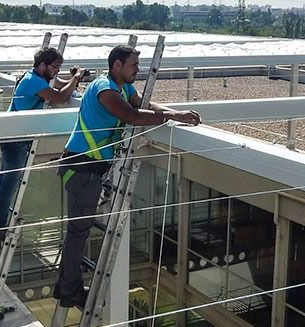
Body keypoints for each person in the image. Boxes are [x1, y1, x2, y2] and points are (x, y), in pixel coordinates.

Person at [53, 45, 202, 309]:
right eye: (134, 65)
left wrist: (173, 113)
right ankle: (69, 291)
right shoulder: (106, 90)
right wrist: (174, 115)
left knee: (77, 233)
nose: (138, 69)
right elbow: (132, 116)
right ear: (117, 65)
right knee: (78, 233)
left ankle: (65, 287)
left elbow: (143, 105)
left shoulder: (122, 88)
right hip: (82, 169)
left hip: (87, 169)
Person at [0, 47, 88, 240]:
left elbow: (59, 84)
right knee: (10, 182)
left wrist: (72, 78)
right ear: (42, 64)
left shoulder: (34, 78)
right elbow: (60, 96)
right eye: (54, 67)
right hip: (17, 137)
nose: (56, 71)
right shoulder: (33, 82)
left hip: (12, 134)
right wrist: (77, 78)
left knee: (4, 179)